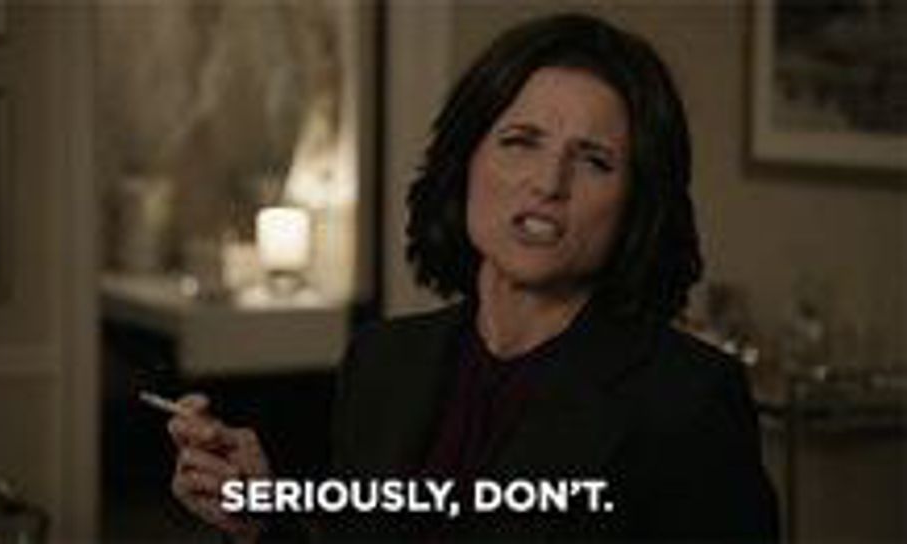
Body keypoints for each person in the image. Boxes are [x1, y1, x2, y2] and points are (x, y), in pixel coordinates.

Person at [168, 12, 780, 542]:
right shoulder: (383, 362)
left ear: (635, 203)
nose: (548, 183)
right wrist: (262, 516)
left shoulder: (687, 401)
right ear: (466, 162)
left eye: (594, 160)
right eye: (521, 142)